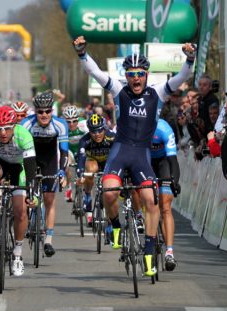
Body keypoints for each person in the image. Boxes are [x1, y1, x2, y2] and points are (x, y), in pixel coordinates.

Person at [73, 35, 195, 276]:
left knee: (151, 200)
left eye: (140, 74)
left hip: (141, 154)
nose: (136, 78)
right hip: (120, 150)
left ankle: (149, 248)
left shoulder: (157, 93)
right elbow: (96, 72)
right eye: (131, 74)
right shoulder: (119, 89)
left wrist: (189, 58)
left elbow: (182, 77)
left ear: (146, 75)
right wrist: (82, 53)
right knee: (109, 194)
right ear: (125, 75)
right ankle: (115, 226)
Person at [0, 106, 38, 277]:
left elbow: (30, 166)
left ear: (14, 126)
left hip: (20, 168)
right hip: (0, 164)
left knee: (20, 212)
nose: (3, 133)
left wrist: (31, 192)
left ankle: (17, 255)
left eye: (7, 128)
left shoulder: (24, 135)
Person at [19, 91, 69, 257]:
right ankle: (25, 220)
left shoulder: (60, 125)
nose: (44, 115)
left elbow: (64, 152)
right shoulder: (26, 124)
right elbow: (19, 150)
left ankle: (48, 240)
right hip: (30, 157)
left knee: (49, 199)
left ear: (52, 111)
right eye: (40, 112)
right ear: (35, 112)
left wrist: (62, 171)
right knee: (26, 196)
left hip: (49, 160)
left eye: (48, 111)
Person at [149, 118, 180, 271]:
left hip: (163, 162)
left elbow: (173, 159)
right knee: (148, 202)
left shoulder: (164, 129)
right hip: (145, 161)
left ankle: (169, 252)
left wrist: (175, 181)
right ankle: (150, 239)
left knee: (165, 206)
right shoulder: (136, 127)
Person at [76, 114, 115, 226]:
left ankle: (110, 222)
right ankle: (88, 194)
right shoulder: (84, 140)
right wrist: (80, 174)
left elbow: (119, 156)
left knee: (108, 193)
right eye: (93, 131)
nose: (97, 134)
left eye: (99, 130)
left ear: (104, 128)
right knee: (91, 170)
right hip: (93, 161)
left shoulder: (112, 137)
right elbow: (81, 160)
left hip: (108, 162)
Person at [62, 105, 88, 202]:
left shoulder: (83, 124)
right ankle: (69, 188)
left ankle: (86, 190)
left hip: (81, 148)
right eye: (68, 122)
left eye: (74, 121)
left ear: (78, 119)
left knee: (86, 168)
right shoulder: (62, 127)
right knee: (67, 164)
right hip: (69, 149)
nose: (71, 124)